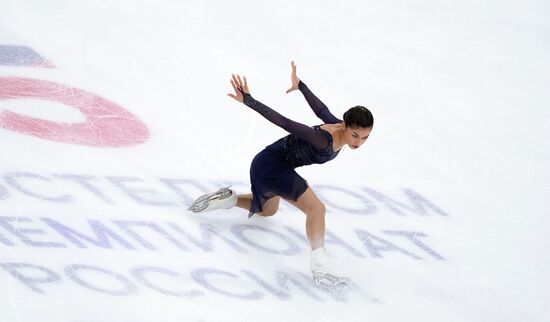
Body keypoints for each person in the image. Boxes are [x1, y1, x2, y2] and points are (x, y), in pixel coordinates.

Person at [188, 61, 374, 287]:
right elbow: (285, 123)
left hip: (272, 163)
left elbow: (321, 109)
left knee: (268, 211)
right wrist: (250, 101)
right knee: (316, 209)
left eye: (364, 138)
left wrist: (301, 86)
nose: (358, 142)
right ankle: (320, 264)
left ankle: (230, 198)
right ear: (345, 126)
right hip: (271, 165)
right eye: (355, 135)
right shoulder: (323, 139)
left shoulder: (337, 124)